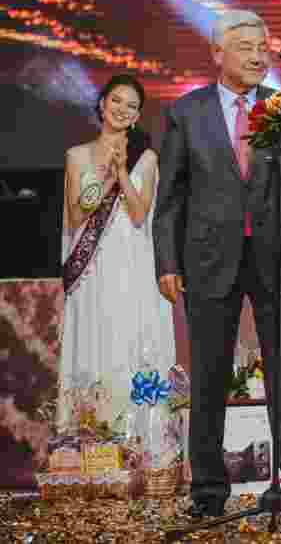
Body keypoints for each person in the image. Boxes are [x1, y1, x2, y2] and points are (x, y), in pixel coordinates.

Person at [153, 10, 281, 519]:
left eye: (263, 47)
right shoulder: (187, 112)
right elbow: (171, 197)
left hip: (276, 256)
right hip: (207, 259)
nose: (258, 56)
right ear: (218, 54)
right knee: (209, 377)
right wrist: (167, 262)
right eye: (245, 47)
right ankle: (207, 491)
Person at [59, 74, 174, 427]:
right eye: (116, 100)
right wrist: (105, 176)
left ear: (137, 116)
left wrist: (122, 171)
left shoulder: (146, 158)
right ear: (102, 103)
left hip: (132, 264)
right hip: (93, 267)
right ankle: (92, 434)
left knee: (129, 339)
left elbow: (139, 215)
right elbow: (75, 216)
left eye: (132, 106)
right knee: (96, 339)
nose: (122, 109)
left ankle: (138, 436)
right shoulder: (77, 155)